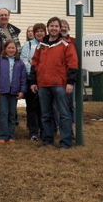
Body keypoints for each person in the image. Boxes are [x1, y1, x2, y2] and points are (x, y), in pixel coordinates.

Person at [30, 17, 78, 149]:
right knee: (46, 115)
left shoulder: (66, 44)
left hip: (60, 85)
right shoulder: (41, 45)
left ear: (60, 28)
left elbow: (72, 64)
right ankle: (47, 141)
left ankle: (66, 142)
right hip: (43, 85)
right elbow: (34, 64)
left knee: (64, 114)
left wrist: (70, 82)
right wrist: (33, 82)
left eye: (56, 26)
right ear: (48, 28)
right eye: (51, 26)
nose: (54, 28)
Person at [0, 7, 21, 132]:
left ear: (9, 16)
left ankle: (12, 123)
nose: (3, 17)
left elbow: (17, 48)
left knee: (12, 97)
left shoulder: (13, 31)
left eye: (6, 15)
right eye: (1, 15)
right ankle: (0, 125)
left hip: (13, 66)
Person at [0, 40, 27, 143]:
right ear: (5, 49)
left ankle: (11, 136)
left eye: (13, 48)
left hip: (14, 93)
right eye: (9, 48)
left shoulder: (20, 63)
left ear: (16, 50)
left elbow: (23, 79)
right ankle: (3, 135)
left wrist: (22, 91)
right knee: (3, 113)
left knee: (12, 114)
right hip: (2, 92)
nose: (11, 50)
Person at [21, 23, 46, 140]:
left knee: (44, 107)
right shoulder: (29, 44)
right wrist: (32, 74)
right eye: (37, 31)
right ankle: (33, 132)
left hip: (45, 80)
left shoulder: (47, 44)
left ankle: (44, 130)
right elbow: (24, 60)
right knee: (32, 107)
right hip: (31, 79)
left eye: (42, 31)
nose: (40, 33)